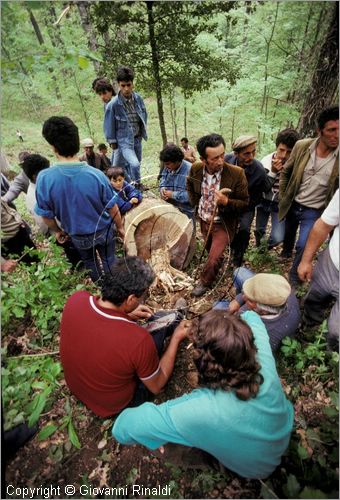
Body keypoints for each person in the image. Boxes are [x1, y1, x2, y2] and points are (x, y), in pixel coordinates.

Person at [112, 309, 294, 479]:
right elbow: (252, 316)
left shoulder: (199, 410)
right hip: (280, 438)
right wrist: (223, 325)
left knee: (163, 442)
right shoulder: (263, 356)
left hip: (256, 469)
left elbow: (122, 428)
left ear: (204, 363)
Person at [60, 256, 190, 417]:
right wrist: (176, 339)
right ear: (130, 299)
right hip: (116, 406)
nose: (143, 298)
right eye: (143, 295)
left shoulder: (76, 299)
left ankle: (173, 319)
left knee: (152, 328)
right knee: (159, 326)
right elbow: (157, 385)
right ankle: (176, 321)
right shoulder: (138, 340)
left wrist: (126, 311)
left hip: (80, 388)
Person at [35, 116, 124, 282]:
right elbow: (112, 207)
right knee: (110, 260)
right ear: (77, 144)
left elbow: (46, 215)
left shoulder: (45, 179)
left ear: (53, 147)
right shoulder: (96, 175)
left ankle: (101, 287)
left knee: (90, 262)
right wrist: (120, 227)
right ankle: (115, 288)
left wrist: (56, 231)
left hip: (77, 235)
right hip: (104, 231)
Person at [279, 106, 339, 286]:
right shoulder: (302, 146)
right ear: (319, 131)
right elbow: (286, 172)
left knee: (304, 244)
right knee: (288, 233)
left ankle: (294, 279)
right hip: (293, 202)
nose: (337, 135)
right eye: (332, 130)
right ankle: (285, 251)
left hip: (314, 211)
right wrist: (283, 196)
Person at [187, 133, 249, 297]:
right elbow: (190, 184)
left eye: (222, 155)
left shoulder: (237, 173)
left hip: (223, 223)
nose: (221, 161)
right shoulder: (196, 168)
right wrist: (194, 203)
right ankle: (218, 263)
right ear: (203, 158)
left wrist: (226, 202)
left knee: (213, 258)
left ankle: (204, 282)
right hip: (204, 219)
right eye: (214, 158)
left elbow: (245, 203)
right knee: (210, 251)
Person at [214, 269, 300, 353]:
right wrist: (238, 300)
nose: (244, 297)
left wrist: (232, 318)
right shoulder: (282, 293)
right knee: (240, 272)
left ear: (264, 311)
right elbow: (245, 296)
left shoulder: (265, 334)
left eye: (250, 300)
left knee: (217, 307)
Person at [225, 135, 276, 267]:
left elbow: (266, 187)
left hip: (247, 207)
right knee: (227, 230)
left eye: (253, 152)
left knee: (244, 230)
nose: (251, 157)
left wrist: (273, 173)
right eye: (246, 154)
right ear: (236, 153)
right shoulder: (226, 161)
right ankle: (231, 247)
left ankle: (238, 259)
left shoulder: (258, 169)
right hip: (228, 204)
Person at [298, 189, 339, 351]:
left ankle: (329, 358)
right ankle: (309, 325)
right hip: (332, 261)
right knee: (313, 297)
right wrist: (306, 260)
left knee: (336, 333)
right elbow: (323, 224)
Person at [255, 129, 300, 248]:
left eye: (289, 152)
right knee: (259, 230)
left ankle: (266, 246)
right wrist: (273, 172)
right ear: (276, 147)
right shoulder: (265, 162)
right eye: (281, 150)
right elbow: (262, 187)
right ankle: (260, 250)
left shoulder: (296, 165)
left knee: (278, 237)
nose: (284, 155)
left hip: (280, 204)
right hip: (263, 200)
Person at [104, 66, 147, 186]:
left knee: (127, 165)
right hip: (124, 140)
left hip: (137, 138)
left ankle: (128, 185)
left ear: (132, 83)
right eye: (123, 85)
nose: (126, 89)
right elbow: (109, 124)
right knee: (134, 164)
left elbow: (144, 115)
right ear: (118, 85)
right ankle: (138, 186)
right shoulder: (113, 104)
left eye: (129, 85)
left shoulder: (138, 99)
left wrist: (143, 131)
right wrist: (112, 140)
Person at [159, 144, 194, 219]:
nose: (166, 166)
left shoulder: (191, 171)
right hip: (170, 208)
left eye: (168, 164)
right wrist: (162, 188)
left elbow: (193, 196)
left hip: (186, 213)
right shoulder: (168, 168)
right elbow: (163, 179)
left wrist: (173, 195)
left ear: (177, 161)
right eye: (165, 164)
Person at [1, 200, 38, 264]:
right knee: (29, 262)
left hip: (19, 231)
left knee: (35, 255)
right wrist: (2, 263)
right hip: (10, 239)